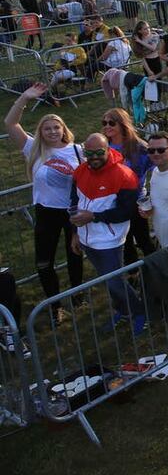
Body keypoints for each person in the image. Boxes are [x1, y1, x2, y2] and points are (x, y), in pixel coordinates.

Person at [4, 84, 83, 322]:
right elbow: (10, 123)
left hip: (72, 213)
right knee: (44, 261)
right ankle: (55, 305)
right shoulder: (33, 148)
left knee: (75, 255)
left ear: (63, 129)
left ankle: (77, 296)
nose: (51, 132)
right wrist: (24, 98)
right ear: (40, 131)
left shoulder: (78, 151)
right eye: (47, 128)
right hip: (46, 212)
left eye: (56, 127)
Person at [69, 133, 145, 335]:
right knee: (108, 280)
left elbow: (128, 211)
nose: (93, 157)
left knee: (115, 281)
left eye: (98, 153)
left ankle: (139, 312)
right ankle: (123, 310)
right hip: (86, 238)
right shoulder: (80, 171)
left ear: (108, 150)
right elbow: (74, 202)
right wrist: (76, 232)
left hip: (110, 240)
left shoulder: (124, 175)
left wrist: (93, 217)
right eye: (89, 153)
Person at [102, 108, 157, 266]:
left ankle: (157, 270)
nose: (107, 126)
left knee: (143, 240)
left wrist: (153, 196)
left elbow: (158, 169)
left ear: (122, 124)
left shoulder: (139, 147)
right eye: (104, 123)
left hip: (135, 201)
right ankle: (133, 274)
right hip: (113, 202)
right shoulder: (104, 147)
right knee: (124, 243)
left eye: (111, 123)